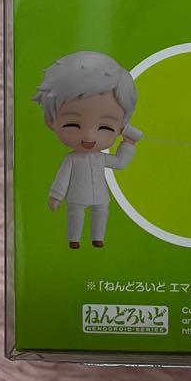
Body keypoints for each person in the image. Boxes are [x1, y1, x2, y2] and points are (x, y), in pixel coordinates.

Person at [33, 51, 142, 249]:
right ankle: (74, 239)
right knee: (76, 214)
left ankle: (97, 238)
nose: (89, 137)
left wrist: (128, 145)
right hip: (77, 196)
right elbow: (62, 178)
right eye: (73, 125)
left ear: (121, 127)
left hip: (100, 196)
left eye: (105, 127)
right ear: (51, 122)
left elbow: (119, 162)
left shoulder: (100, 158)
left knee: (101, 213)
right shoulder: (72, 159)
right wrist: (56, 195)